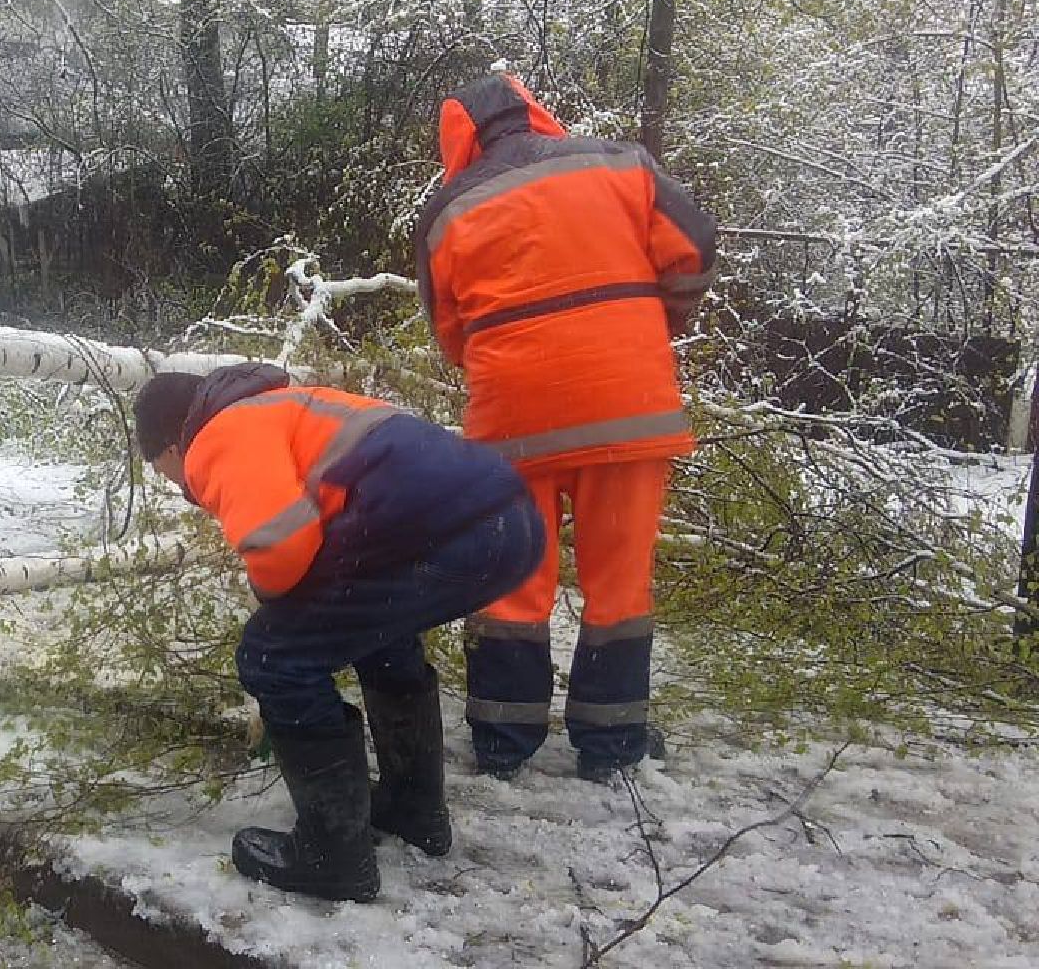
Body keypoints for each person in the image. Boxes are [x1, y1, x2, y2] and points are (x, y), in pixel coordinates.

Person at [135, 363, 542, 902]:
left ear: (170, 445)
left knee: (271, 657)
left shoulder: (215, 433)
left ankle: (333, 856)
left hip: (445, 535)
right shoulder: (290, 407)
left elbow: (277, 543)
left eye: (168, 474)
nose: (180, 486)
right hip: (507, 525)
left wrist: (284, 630)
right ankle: (413, 809)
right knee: (376, 632)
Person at [412, 73, 718, 782]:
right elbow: (694, 247)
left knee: (511, 576)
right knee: (619, 581)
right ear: (536, 114)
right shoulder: (620, 165)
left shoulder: (448, 209)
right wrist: (655, 323)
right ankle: (611, 747)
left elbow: (451, 331)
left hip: (513, 420)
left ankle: (501, 742)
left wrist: (510, 364)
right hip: (628, 405)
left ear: (457, 139)